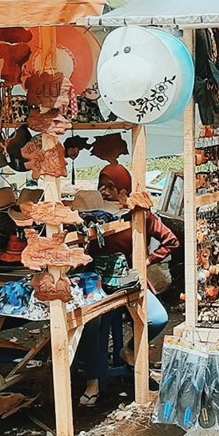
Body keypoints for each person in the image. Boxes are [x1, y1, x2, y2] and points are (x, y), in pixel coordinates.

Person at [79, 163, 178, 407]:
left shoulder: (139, 213)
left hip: (130, 280)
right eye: (101, 185)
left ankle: (128, 350)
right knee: (91, 323)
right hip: (98, 283)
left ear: (124, 189)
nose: (105, 191)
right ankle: (93, 380)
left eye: (112, 187)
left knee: (157, 318)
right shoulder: (91, 214)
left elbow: (171, 241)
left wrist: (147, 260)